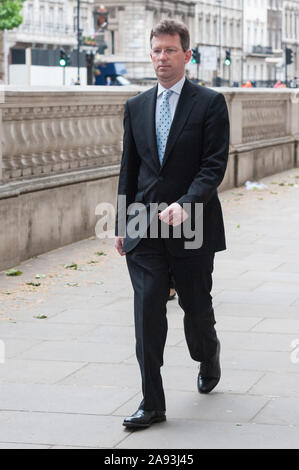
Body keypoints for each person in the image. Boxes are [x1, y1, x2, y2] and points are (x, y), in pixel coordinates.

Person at [115, 19, 230, 429]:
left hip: (193, 223)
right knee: (147, 312)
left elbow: (213, 165)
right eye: (156, 50)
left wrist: (187, 203)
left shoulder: (210, 103)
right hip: (144, 226)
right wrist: (121, 223)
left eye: (169, 50)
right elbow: (130, 169)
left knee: (196, 309)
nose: (161, 57)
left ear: (187, 55)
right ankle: (152, 403)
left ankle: (208, 352)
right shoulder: (136, 106)